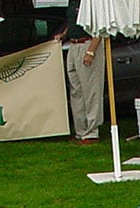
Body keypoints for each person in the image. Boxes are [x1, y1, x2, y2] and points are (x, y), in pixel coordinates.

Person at [56, 0, 105, 143]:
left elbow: (99, 28)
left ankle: (92, 132)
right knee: (76, 90)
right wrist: (64, 34)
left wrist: (91, 52)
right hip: (73, 44)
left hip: (87, 44)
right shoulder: (72, 2)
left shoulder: (92, 2)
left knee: (91, 91)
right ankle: (81, 130)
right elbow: (71, 21)